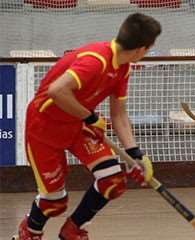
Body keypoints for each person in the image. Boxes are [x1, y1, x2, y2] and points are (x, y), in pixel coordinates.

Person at [14, 13, 161, 239]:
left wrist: (135, 153)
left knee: (112, 181)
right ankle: (30, 230)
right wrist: (90, 118)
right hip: (45, 127)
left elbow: (119, 115)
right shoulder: (96, 60)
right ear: (141, 49)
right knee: (55, 202)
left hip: (77, 124)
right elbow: (56, 91)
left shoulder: (123, 67)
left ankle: (73, 229)